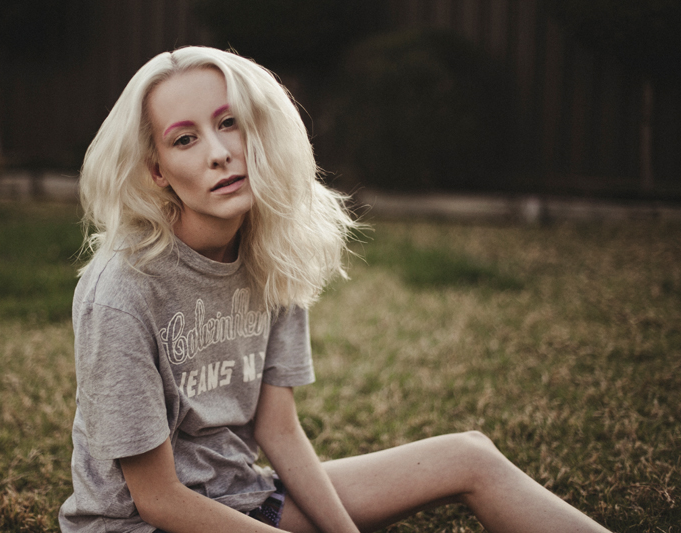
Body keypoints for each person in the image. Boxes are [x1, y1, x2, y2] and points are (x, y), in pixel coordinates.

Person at [59, 46, 611, 533]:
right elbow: (157, 500)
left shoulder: (271, 251)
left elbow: (278, 429)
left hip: (245, 498)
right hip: (144, 525)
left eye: (230, 123)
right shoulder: (122, 292)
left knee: (470, 456)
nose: (219, 152)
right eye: (185, 139)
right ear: (158, 171)